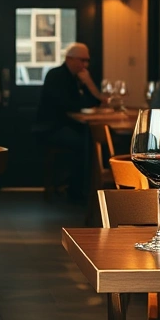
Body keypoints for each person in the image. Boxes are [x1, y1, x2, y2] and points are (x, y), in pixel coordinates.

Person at [35, 42, 107, 201]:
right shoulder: (56, 75)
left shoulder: (78, 78)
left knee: (94, 140)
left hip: (70, 124)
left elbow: (94, 102)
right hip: (52, 127)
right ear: (69, 59)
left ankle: (87, 187)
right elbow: (69, 104)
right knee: (85, 143)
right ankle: (78, 190)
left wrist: (88, 83)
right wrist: (86, 95)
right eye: (82, 60)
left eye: (87, 61)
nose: (85, 65)